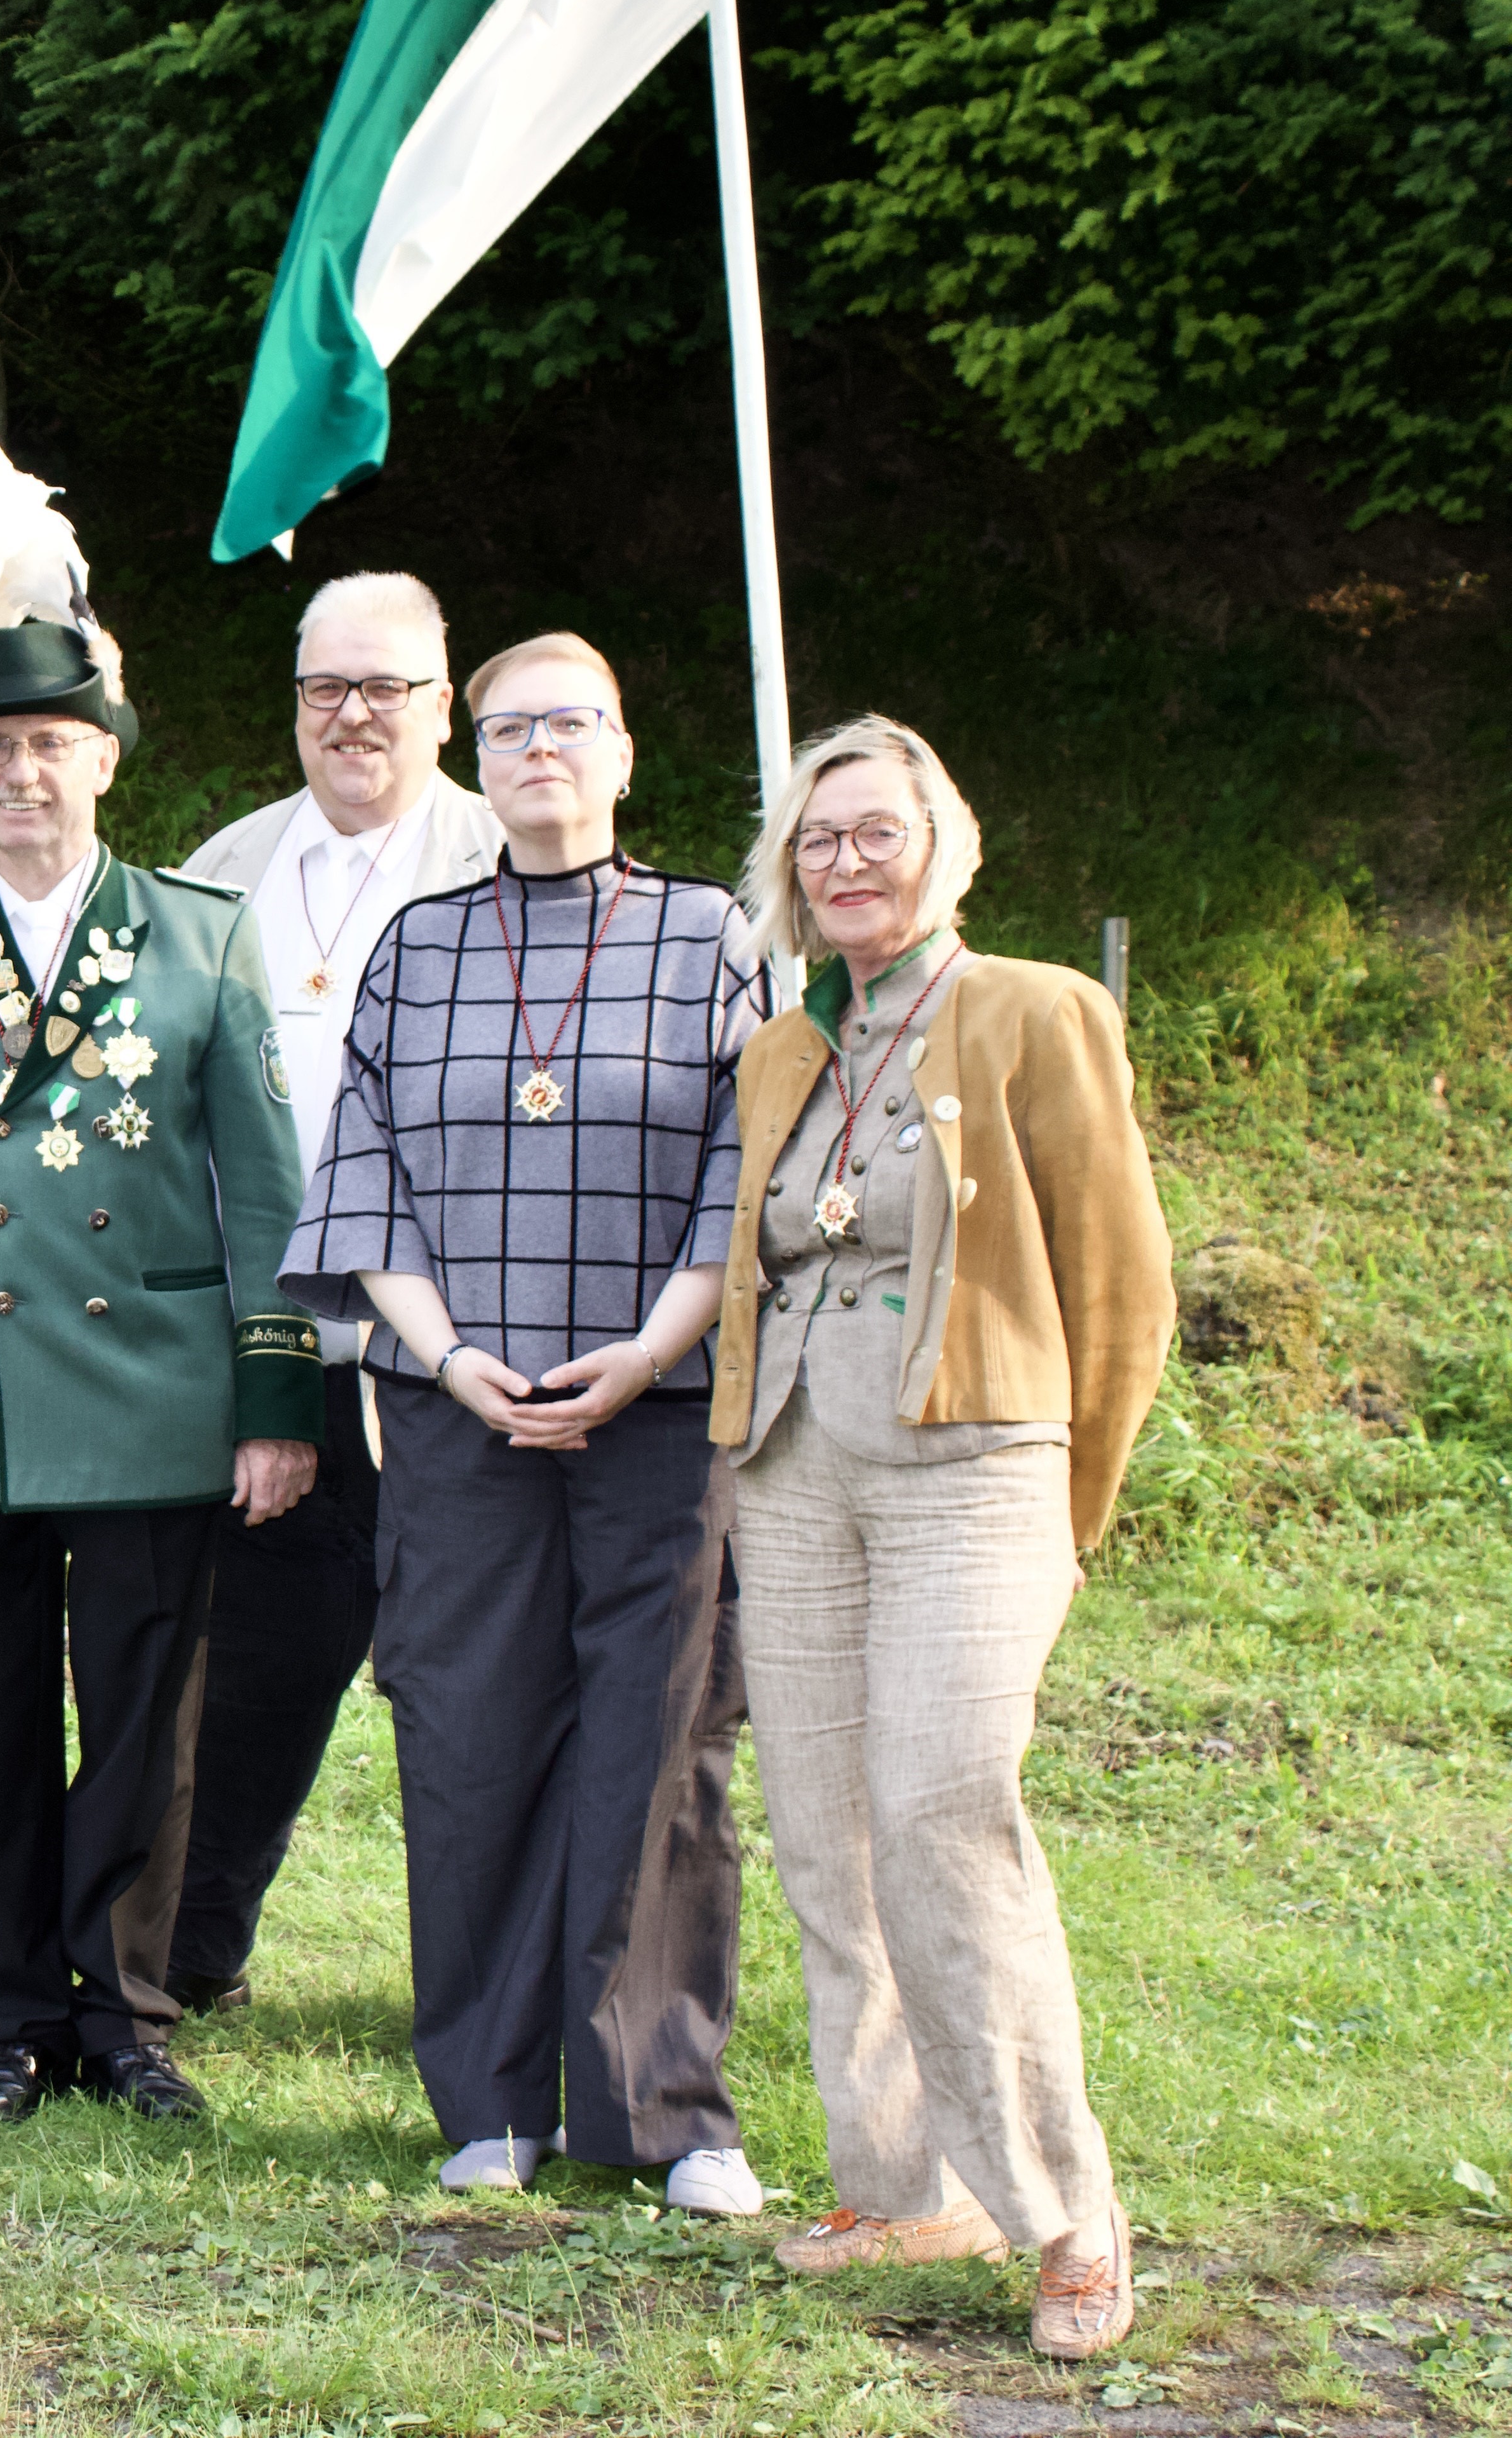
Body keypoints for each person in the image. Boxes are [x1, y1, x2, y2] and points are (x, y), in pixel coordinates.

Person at [0, 428, 323, 2124]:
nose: (22, 775)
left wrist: (275, 1396)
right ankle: (11, 2019)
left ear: (106, 760)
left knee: (147, 1724)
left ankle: (127, 2007)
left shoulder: (202, 936)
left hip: (158, 1392)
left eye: (52, 744)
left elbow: (268, 1184)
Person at [276, 629, 766, 2211]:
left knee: (659, 1747)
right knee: (471, 1739)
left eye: (570, 722)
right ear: (473, 762)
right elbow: (364, 1184)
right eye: (505, 728)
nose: (538, 747)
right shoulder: (416, 947)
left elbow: (738, 1184)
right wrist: (451, 1355)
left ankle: (664, 2105)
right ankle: (490, 2097)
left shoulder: (713, 939)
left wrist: (642, 1351)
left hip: (659, 1408)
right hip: (457, 1411)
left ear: (624, 752)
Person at [710, 715, 1170, 2359]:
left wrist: (1070, 1507)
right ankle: (899, 2179)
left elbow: (1122, 1289)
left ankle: (1065, 2215)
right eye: (817, 840)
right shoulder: (783, 1047)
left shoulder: (1038, 1011)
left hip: (980, 1465)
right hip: (796, 1471)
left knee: (944, 1808)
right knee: (829, 1831)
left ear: (943, 846)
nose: (844, 861)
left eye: (875, 832)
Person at [125, 570, 510, 2023]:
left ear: (442, 700)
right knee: (246, 1682)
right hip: (268, 1345)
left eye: (386, 687)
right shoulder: (222, 866)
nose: (354, 715)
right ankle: (185, 1956)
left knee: (468, 1688)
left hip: (452, 1357)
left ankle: (484, 1997)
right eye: (324, 688)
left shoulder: (504, 857)